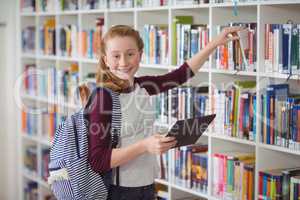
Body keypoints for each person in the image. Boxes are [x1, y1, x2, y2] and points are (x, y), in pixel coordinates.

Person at [85, 25, 242, 200]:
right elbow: (97, 161)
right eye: (116, 56)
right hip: (118, 190)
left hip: (146, 183)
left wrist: (214, 44)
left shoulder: (142, 86)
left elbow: (180, 75)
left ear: (140, 55)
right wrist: (145, 145)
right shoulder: (103, 97)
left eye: (130, 54)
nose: (123, 62)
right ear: (106, 60)